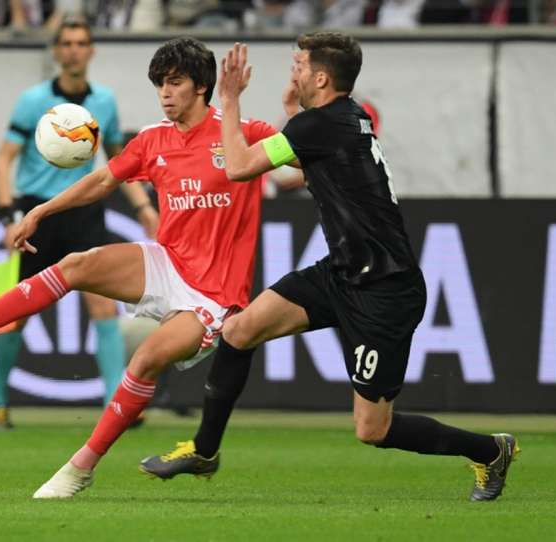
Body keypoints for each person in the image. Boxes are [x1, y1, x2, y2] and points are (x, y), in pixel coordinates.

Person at [140, 34, 520, 502]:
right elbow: (293, 171)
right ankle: (204, 450)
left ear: (321, 78)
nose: (293, 72)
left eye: (299, 65)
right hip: (339, 273)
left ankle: (489, 450)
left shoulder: (323, 125)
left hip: (384, 291)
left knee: (372, 429)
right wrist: (294, 117)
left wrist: (231, 100)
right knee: (238, 332)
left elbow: (239, 168)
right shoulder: (343, 119)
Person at [0, 37, 276, 497]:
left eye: (175, 82)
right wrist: (40, 211)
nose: (165, 93)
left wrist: (295, 115)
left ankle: (80, 468)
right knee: (76, 264)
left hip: (216, 294)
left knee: (144, 360)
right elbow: (103, 179)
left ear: (202, 86)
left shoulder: (244, 132)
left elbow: (297, 167)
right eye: (159, 84)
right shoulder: (152, 139)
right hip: (170, 263)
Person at [0, 19, 158, 429]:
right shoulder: (33, 101)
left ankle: (116, 405)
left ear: (91, 50)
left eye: (82, 43)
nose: (74, 50)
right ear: (56, 51)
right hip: (38, 211)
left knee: (102, 304)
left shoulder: (104, 102)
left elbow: (120, 163)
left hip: (84, 211)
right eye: (66, 43)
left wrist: (143, 207)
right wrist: (10, 215)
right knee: (20, 311)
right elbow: (3, 159)